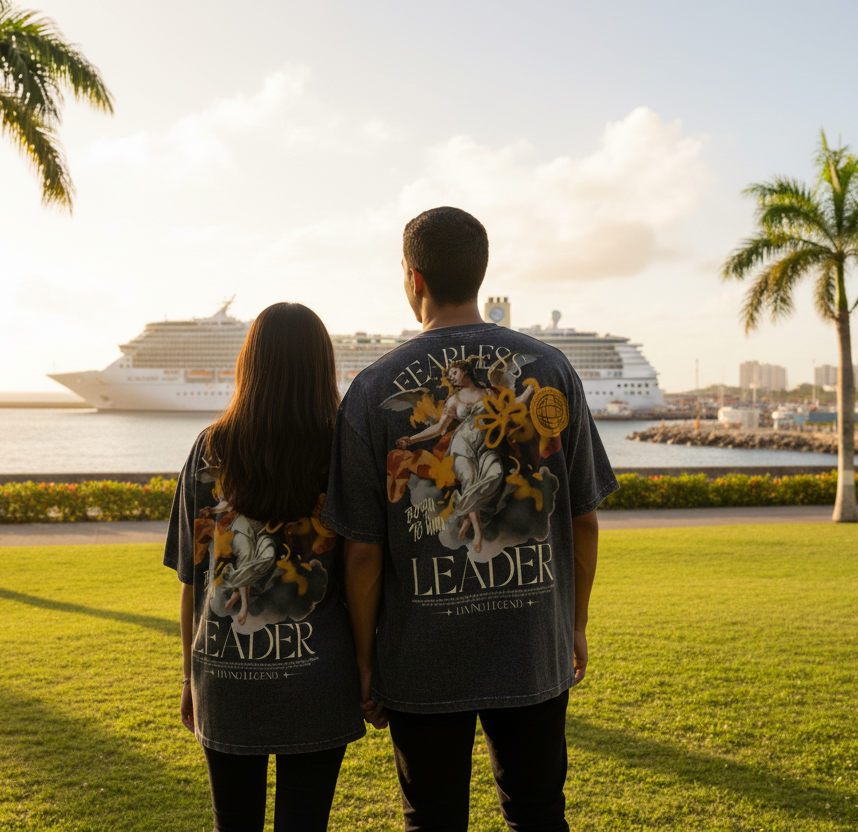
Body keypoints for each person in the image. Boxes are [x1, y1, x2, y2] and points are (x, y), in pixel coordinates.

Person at [322, 206, 619, 831]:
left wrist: (366, 660)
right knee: (538, 814)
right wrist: (575, 623)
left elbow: (364, 552)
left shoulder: (370, 391)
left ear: (413, 279)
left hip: (420, 655)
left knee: (431, 821)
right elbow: (583, 517)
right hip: (533, 641)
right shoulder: (554, 369)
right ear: (481, 274)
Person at [166, 302, 365, 832]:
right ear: (323, 367)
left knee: (233, 823)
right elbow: (363, 570)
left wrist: (189, 677)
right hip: (318, 678)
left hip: (226, 676)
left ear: (248, 364)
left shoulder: (209, 449)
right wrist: (369, 669)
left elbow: (192, 580)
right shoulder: (344, 450)